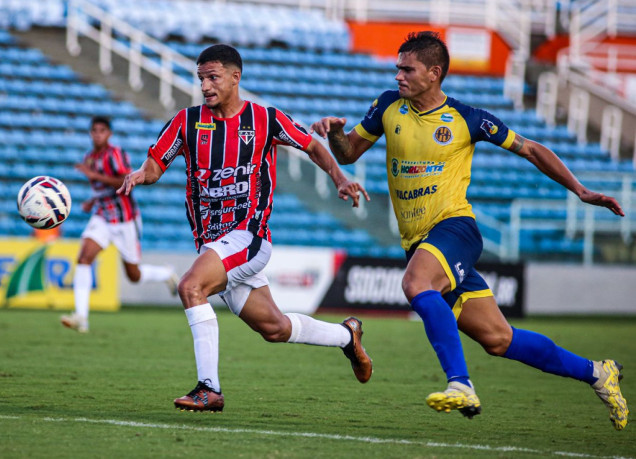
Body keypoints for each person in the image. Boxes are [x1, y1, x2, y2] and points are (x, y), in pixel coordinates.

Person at [311, 31, 628, 430]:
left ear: (434, 73)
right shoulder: (388, 105)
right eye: (397, 68)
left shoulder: (468, 118)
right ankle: (598, 372)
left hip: (455, 227)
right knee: (499, 339)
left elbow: (530, 148)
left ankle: (460, 383)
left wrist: (579, 190)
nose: (398, 76)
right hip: (419, 241)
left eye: (407, 69)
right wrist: (336, 131)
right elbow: (349, 152)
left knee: (416, 285)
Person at [118, 44, 373, 412]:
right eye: (201, 78)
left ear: (235, 77)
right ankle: (346, 336)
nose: (205, 86)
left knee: (191, 287)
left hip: (248, 236)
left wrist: (339, 177)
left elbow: (313, 147)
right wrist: (141, 175)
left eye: (212, 77)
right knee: (275, 329)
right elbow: (155, 167)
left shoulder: (264, 119)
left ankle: (209, 388)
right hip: (212, 243)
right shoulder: (186, 122)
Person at [60, 116, 179, 333]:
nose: (97, 134)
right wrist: (92, 200)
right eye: (94, 130)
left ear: (109, 134)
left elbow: (126, 181)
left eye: (102, 130)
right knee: (84, 258)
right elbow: (102, 189)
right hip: (102, 217)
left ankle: (165, 273)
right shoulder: (89, 157)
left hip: (125, 220)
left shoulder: (115, 154)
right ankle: (81, 317)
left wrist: (94, 175)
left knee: (134, 275)